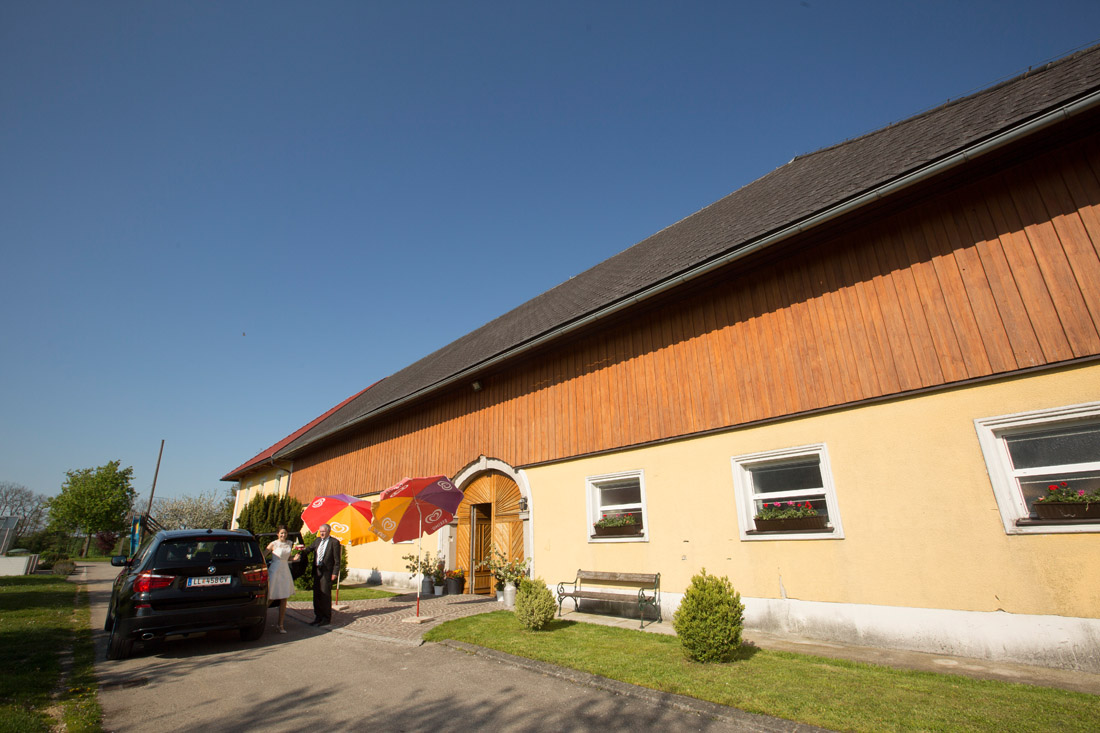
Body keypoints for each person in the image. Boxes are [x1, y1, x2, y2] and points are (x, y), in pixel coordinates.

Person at [292, 523, 341, 626]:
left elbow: (337, 560)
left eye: (323, 531)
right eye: (320, 531)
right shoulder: (317, 540)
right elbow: (309, 549)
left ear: (328, 532)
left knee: (325, 595)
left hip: (327, 573)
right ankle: (318, 617)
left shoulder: (334, 542)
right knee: (317, 595)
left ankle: (326, 618)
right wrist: (301, 550)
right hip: (317, 571)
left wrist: (335, 573)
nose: (322, 533)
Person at [265, 525, 295, 633]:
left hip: (285, 570)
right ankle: (261, 619)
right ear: (278, 534)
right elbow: (264, 554)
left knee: (284, 598)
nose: (283, 535)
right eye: (281, 533)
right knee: (271, 596)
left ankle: (280, 624)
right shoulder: (273, 544)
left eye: (285, 533)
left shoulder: (290, 543)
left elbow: (289, 558)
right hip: (275, 571)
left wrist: (295, 558)